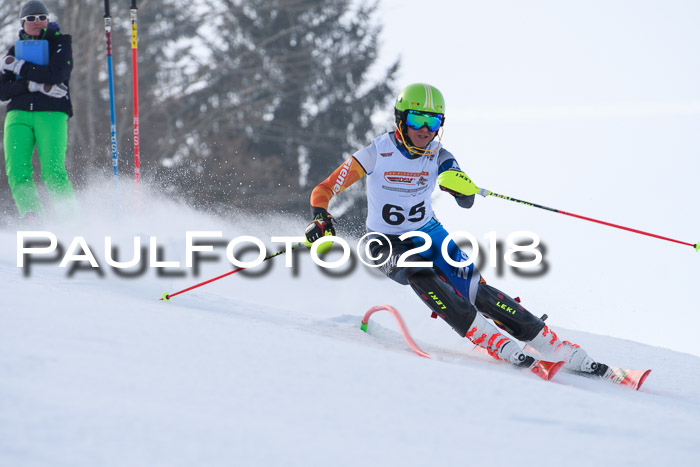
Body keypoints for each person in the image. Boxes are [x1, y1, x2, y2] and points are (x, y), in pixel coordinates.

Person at [304, 82, 609, 376]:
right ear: (400, 119)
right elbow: (325, 188)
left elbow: (463, 198)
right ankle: (488, 338)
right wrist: (320, 217)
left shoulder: (439, 155)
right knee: (418, 270)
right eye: (416, 118)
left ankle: (554, 346)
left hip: (431, 233)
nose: (425, 129)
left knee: (479, 292)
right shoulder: (375, 153)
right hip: (384, 241)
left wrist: (460, 187)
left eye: (433, 121)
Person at [0, 0, 75, 221]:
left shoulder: (59, 43)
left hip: (51, 112)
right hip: (18, 113)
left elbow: (56, 75)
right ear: (23, 23)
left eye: (42, 18)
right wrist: (30, 85)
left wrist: (21, 68)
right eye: (31, 19)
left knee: (53, 172)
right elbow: (3, 90)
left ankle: (71, 222)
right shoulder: (14, 50)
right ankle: (32, 218)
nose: (38, 22)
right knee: (17, 171)